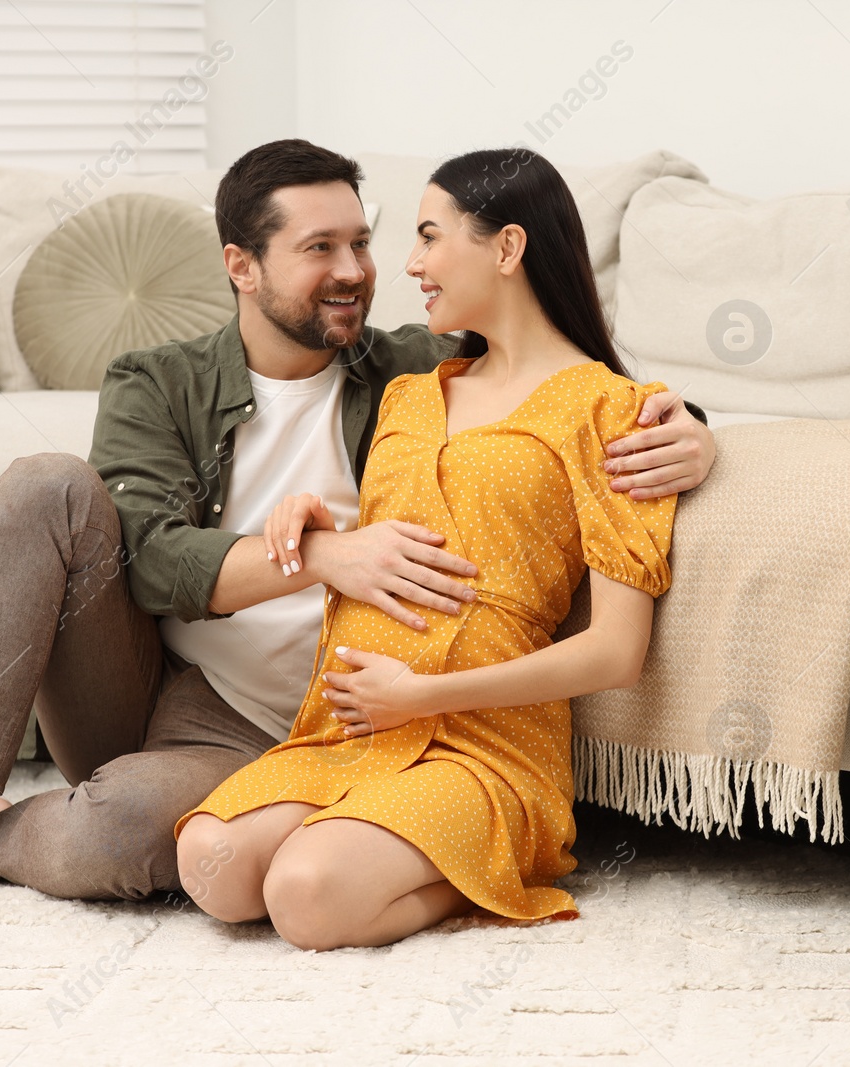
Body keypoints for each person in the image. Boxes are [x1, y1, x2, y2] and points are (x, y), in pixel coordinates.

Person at [0, 140, 714, 914]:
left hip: (353, 713)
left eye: (363, 240)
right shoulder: (160, 381)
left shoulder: (407, 367)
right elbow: (151, 563)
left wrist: (693, 433)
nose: (356, 272)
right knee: (43, 487)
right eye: (320, 247)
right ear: (242, 264)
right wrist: (324, 556)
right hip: (195, 702)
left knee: (139, 842)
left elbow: (563, 389)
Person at [173, 148, 677, 951]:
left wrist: (425, 697)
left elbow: (618, 651)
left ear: (507, 249)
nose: (407, 265)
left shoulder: (613, 411)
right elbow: (392, 538)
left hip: (483, 741)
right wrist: (314, 525)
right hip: (351, 728)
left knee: (305, 897)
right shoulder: (411, 394)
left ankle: (495, 866)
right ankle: (369, 843)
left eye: (429, 237)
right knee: (210, 862)